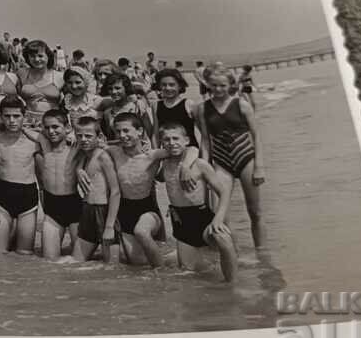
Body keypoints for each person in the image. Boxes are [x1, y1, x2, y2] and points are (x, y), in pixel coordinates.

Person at [158, 123, 237, 281]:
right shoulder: (164, 165)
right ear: (162, 143)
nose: (172, 142)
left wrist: (218, 218)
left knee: (224, 240)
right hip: (181, 221)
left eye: (176, 138)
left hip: (202, 217)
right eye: (166, 139)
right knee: (188, 274)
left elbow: (224, 192)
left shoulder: (199, 164)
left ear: (186, 140)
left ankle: (231, 284)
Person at [199, 71, 267, 247]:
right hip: (221, 163)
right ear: (208, 85)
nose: (218, 89)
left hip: (246, 159)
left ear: (230, 85)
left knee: (255, 212)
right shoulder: (203, 109)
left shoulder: (242, 104)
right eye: (214, 85)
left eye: (222, 85)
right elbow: (205, 141)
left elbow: (256, 136)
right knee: (222, 214)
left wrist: (259, 166)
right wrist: (206, 169)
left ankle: (262, 255)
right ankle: (234, 253)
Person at [104, 113, 166, 267]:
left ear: (139, 131)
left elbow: (188, 149)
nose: (122, 135)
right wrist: (80, 170)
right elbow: (89, 143)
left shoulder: (152, 155)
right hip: (124, 212)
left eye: (126, 131)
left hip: (147, 209)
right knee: (138, 263)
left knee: (141, 232)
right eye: (118, 132)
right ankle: (173, 258)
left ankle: (162, 274)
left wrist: (186, 166)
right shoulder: (114, 151)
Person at [0, 96, 40, 254]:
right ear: (1, 117)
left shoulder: (35, 141)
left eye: (16, 116)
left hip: (28, 198)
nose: (12, 120)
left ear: (24, 117)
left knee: (24, 254)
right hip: (1, 198)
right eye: (7, 116)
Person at [30, 110, 82, 259]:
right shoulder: (44, 147)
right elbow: (24, 129)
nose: (51, 131)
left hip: (75, 208)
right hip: (52, 210)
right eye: (46, 127)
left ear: (67, 128)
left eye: (55, 127)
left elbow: (99, 140)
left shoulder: (76, 147)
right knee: (49, 262)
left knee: (79, 262)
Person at [71, 116, 120, 263]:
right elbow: (77, 158)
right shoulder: (85, 155)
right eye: (79, 136)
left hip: (104, 212)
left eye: (88, 136)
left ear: (98, 137)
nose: (84, 139)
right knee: (75, 263)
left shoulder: (103, 157)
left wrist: (110, 226)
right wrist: (78, 169)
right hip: (88, 211)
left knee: (111, 267)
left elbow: (115, 191)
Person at [152, 69, 204, 152]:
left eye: (172, 85)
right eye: (164, 85)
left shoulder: (189, 104)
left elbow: (203, 133)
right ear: (159, 86)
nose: (168, 88)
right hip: (169, 151)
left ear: (179, 86)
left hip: (189, 152)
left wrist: (203, 154)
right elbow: (156, 134)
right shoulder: (156, 106)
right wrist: (155, 154)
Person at [100, 72, 154, 150]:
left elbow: (149, 132)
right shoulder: (108, 113)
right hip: (119, 152)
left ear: (126, 88)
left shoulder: (137, 106)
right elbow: (109, 137)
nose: (114, 92)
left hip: (140, 150)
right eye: (110, 89)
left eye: (117, 88)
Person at [17, 39, 64, 128]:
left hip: (52, 124)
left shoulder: (60, 77)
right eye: (32, 56)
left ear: (48, 56)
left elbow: (69, 103)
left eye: (40, 56)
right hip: (27, 123)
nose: (37, 59)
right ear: (27, 58)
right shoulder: (22, 74)